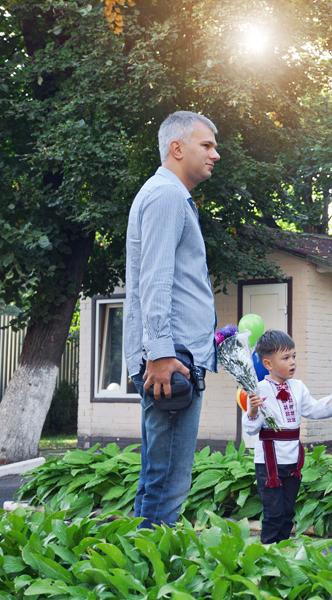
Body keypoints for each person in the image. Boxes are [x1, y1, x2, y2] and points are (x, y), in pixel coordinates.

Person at [123, 110, 221, 528]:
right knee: (169, 483)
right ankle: (149, 583)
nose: (215, 154)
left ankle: (130, 570)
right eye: (207, 145)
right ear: (177, 148)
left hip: (175, 354)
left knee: (156, 477)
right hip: (172, 360)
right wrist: (160, 353)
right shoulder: (165, 196)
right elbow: (155, 279)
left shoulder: (170, 195)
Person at [243, 330, 332, 543]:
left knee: (287, 512)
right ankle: (268, 553)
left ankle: (282, 549)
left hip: (292, 461)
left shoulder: (298, 387)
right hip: (268, 462)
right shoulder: (257, 390)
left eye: (294, 356)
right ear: (268, 364)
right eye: (285, 358)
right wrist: (253, 412)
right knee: (273, 513)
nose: (292, 362)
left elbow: (315, 409)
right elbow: (250, 429)